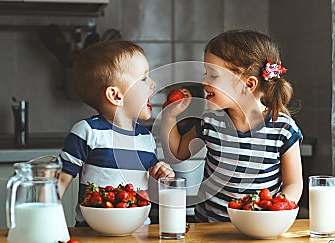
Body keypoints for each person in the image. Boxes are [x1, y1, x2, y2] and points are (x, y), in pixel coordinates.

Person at [161, 29, 303, 222]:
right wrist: (169, 117)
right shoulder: (211, 121)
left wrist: (275, 213)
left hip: (257, 228)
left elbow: (294, 184)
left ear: (248, 84)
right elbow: (177, 152)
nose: (204, 81)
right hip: (209, 230)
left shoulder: (283, 129)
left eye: (213, 75)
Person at [57, 40, 174, 226]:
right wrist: (44, 223)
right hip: (93, 236)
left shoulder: (146, 138)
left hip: (139, 236)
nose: (153, 84)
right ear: (116, 96)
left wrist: (163, 178)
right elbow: (59, 182)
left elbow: (150, 190)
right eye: (144, 78)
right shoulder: (88, 132)